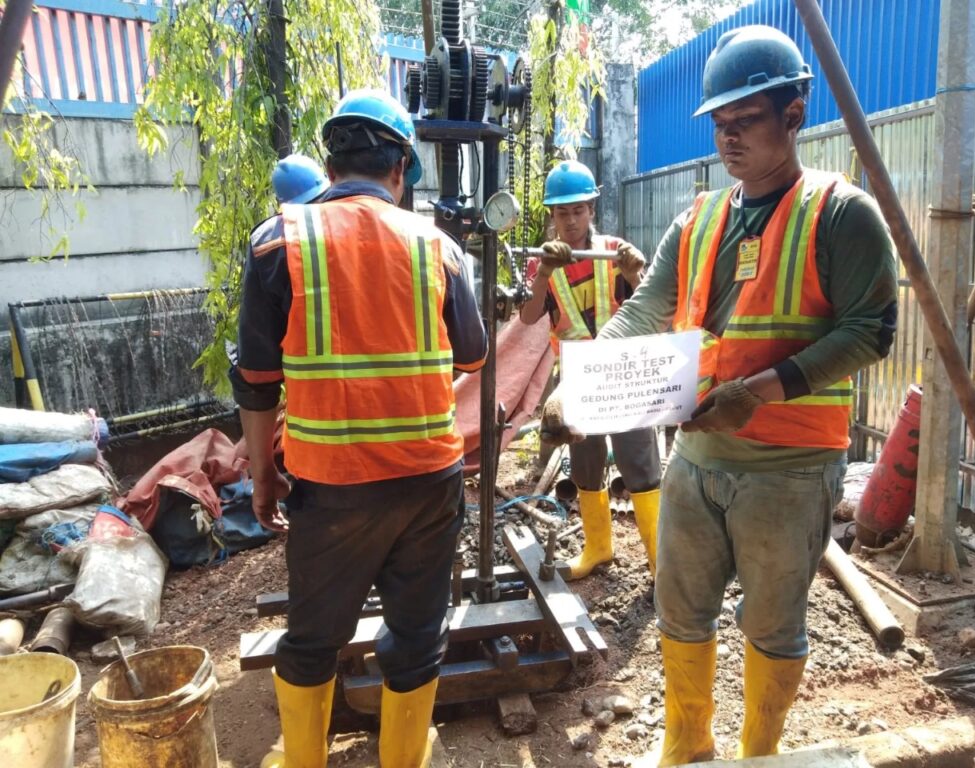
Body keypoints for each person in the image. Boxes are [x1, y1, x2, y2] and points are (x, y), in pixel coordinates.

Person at [541, 26, 898, 764]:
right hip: (697, 458)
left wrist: (761, 391)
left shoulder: (841, 214)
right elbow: (644, 310)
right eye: (720, 125)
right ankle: (686, 747)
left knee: (771, 625)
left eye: (746, 122)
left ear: (794, 114)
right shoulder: (698, 219)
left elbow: (871, 331)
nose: (728, 139)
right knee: (682, 609)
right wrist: (579, 382)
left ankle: (758, 752)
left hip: (788, 469)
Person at [231, 89, 487, 768]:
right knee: (416, 635)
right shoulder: (439, 248)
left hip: (332, 488)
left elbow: (255, 381)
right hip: (430, 484)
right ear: (401, 167)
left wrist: (263, 475)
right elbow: (474, 355)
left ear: (332, 162)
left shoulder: (276, 242)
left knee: (312, 642)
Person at [519, 159, 662, 579]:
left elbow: (654, 308)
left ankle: (659, 562)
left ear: (592, 210)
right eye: (562, 212)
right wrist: (544, 272)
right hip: (578, 381)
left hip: (622, 374)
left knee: (641, 464)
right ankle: (599, 548)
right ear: (552, 215)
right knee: (585, 463)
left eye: (578, 210)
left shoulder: (615, 252)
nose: (570, 220)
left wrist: (637, 274)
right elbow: (529, 318)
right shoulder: (540, 263)